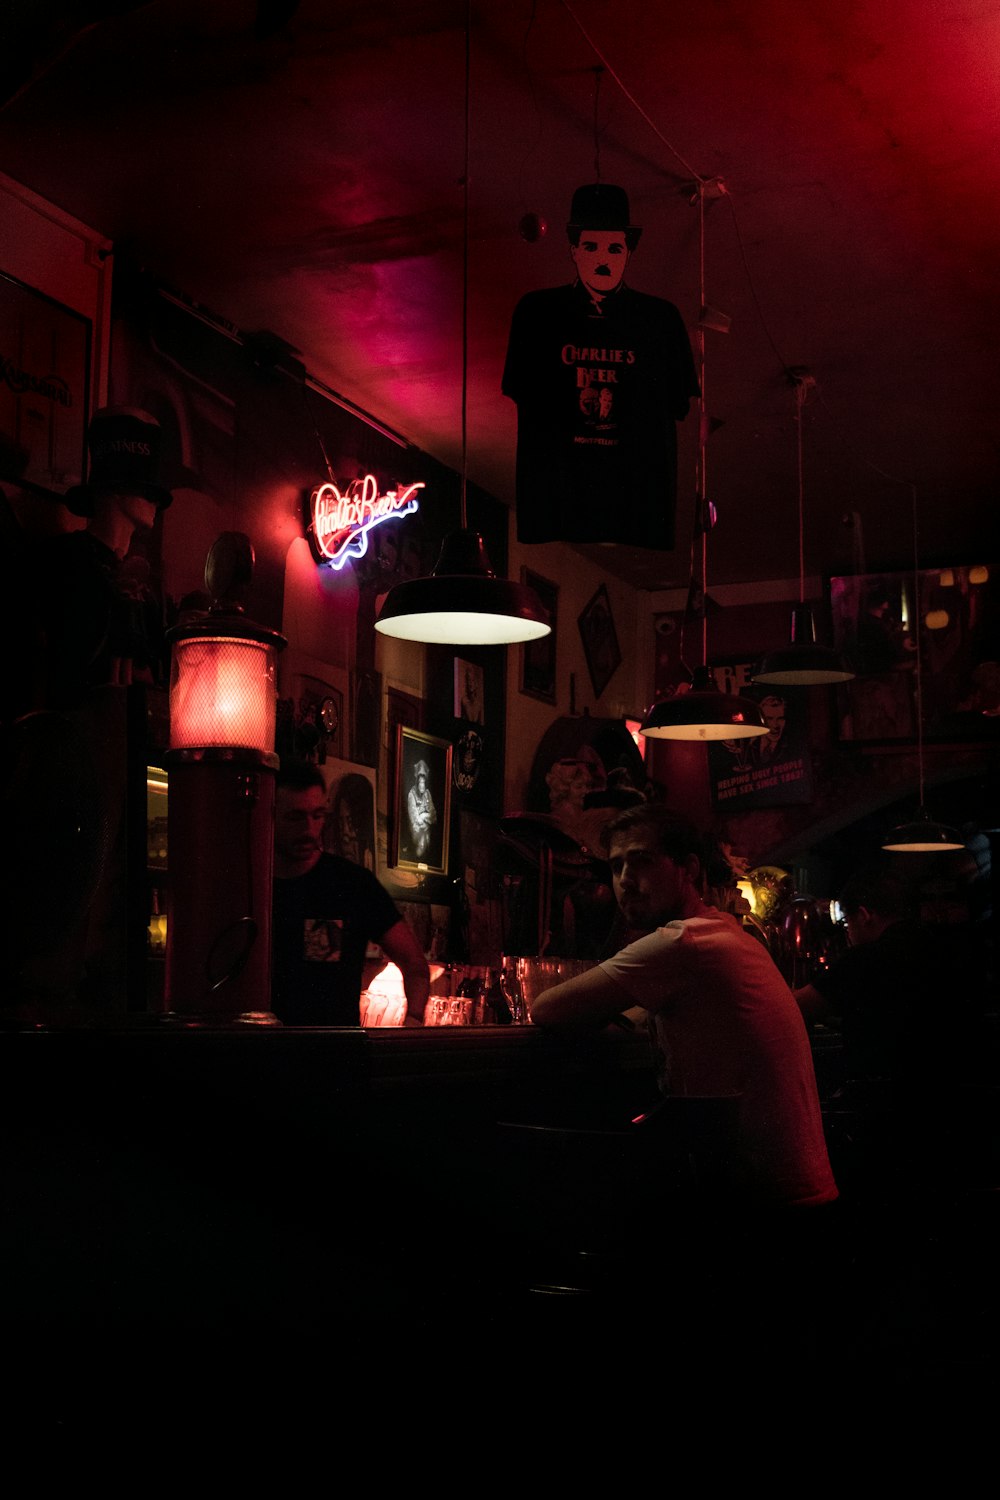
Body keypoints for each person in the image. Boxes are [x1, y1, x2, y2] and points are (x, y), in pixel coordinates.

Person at [529, 804, 838, 1207]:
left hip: (763, 1209)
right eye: (616, 865)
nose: (625, 880)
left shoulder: (684, 942)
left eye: (642, 862)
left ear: (688, 870)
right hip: (791, 1192)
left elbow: (547, 1009)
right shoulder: (729, 935)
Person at [502, 181, 699, 550]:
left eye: (614, 248)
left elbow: (679, 403)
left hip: (635, 508)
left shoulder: (661, 321)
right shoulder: (536, 314)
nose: (603, 259)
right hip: (558, 505)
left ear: (629, 253)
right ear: (573, 250)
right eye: (591, 247)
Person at [272, 760, 429, 1026]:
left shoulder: (352, 884)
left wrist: (412, 1022)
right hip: (259, 1057)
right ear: (271, 814)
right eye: (295, 817)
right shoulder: (249, 886)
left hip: (337, 1058)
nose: (309, 829)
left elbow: (415, 965)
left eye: (318, 815)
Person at [406, 758, 436, 861]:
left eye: (423, 782)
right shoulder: (411, 794)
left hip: (426, 827)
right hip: (416, 829)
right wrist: (422, 818)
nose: (422, 785)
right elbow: (414, 817)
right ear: (417, 782)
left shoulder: (427, 794)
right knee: (421, 840)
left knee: (427, 838)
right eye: (420, 782)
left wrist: (424, 816)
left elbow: (433, 813)